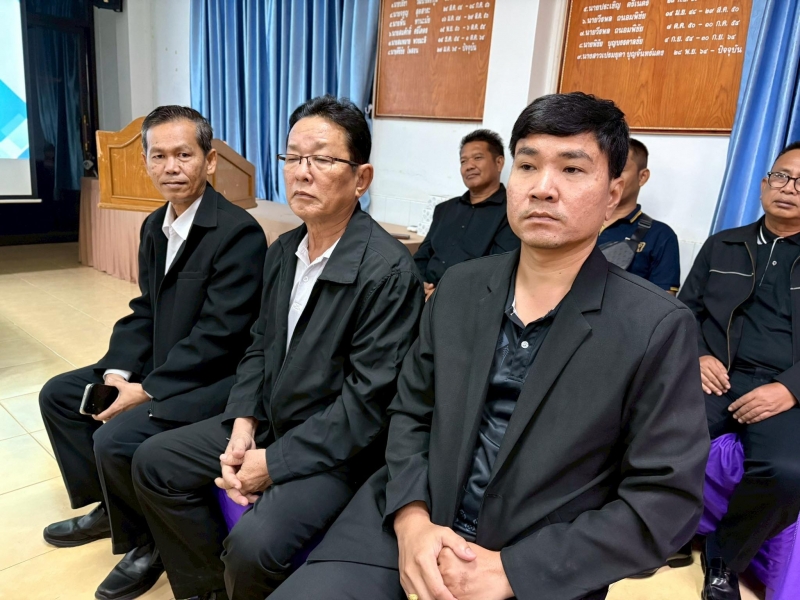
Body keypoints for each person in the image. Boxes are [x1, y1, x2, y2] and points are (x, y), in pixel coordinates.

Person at [269, 92, 710, 600]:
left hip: (536, 561)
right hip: (410, 523)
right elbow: (411, 413)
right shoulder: (458, 288)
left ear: (613, 193)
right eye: (528, 165)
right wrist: (412, 520)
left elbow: (664, 503)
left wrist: (511, 571)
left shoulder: (655, 327)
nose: (542, 188)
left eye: (572, 169)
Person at [131, 95, 425, 600]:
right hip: (271, 419)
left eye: (323, 159)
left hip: (338, 450)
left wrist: (274, 462)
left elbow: (365, 407)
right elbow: (259, 346)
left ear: (361, 178)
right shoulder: (285, 249)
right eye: (293, 157)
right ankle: (207, 590)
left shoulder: (388, 272)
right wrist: (243, 422)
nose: (301, 173)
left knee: (254, 546)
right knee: (154, 462)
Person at [38, 106, 267, 600]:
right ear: (144, 162)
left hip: (212, 377)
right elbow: (146, 309)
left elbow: (219, 335)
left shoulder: (237, 232)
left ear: (209, 161)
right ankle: (111, 506)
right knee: (60, 395)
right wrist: (118, 372)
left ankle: (149, 542)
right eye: (159, 156)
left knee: (114, 438)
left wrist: (147, 390)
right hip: (164, 361)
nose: (171, 167)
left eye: (184, 154)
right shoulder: (153, 226)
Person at [678, 141, 800, 600]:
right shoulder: (723, 244)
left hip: (784, 390)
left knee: (789, 472)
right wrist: (697, 355)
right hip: (717, 376)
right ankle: (665, 531)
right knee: (658, 432)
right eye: (782, 176)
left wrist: (790, 389)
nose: (789, 188)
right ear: (765, 183)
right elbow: (683, 312)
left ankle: (725, 557)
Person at [414, 129, 520, 300]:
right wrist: (419, 284)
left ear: (499, 163)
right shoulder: (444, 209)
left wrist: (443, 296)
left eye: (477, 158)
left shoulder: (511, 212)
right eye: (463, 161)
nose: (469, 166)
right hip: (423, 296)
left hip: (469, 303)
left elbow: (498, 273)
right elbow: (422, 256)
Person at [597, 138, 681, 294]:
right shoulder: (577, 221)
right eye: (604, 169)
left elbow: (663, 302)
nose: (610, 177)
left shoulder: (660, 235)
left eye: (619, 170)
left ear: (642, 177)